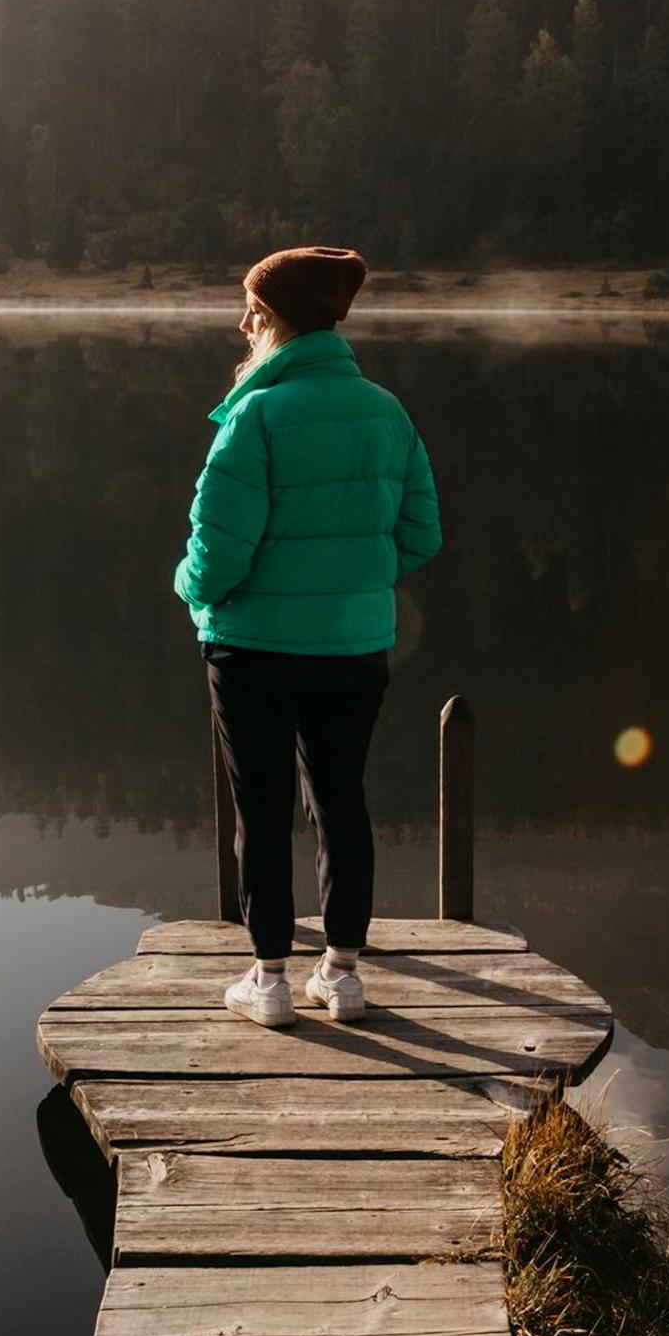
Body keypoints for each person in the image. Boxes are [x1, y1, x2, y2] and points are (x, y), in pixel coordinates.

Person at [172, 245, 442, 1028]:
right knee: (341, 802)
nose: (242, 322)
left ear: (274, 320)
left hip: (252, 648)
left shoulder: (254, 414)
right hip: (354, 646)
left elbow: (216, 556)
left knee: (260, 810)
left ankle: (269, 982)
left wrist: (186, 587)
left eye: (250, 309)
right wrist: (352, 576)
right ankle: (344, 975)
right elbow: (421, 534)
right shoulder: (387, 411)